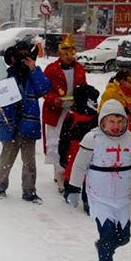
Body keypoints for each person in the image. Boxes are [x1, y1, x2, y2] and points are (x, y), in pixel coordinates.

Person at [66, 100, 131, 261]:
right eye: (111, 122)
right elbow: (79, 165)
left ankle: (103, 247)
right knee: (108, 236)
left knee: (124, 237)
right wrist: (74, 188)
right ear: (102, 122)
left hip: (122, 198)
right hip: (100, 197)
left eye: (120, 121)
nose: (116, 126)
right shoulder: (92, 138)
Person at [0, 41, 52, 203]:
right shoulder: (6, 74)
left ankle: (29, 191)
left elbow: (45, 88)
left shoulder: (34, 74)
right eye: (21, 54)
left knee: (29, 162)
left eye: (27, 54)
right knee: (6, 158)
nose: (24, 58)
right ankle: (0, 186)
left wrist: (33, 69)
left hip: (29, 124)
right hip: (10, 122)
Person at [41, 34, 87, 192]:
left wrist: (81, 98)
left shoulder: (79, 68)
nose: (69, 57)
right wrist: (54, 99)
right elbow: (44, 90)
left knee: (69, 142)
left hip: (73, 111)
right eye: (65, 54)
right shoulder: (51, 69)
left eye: (71, 54)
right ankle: (59, 174)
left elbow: (83, 88)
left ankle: (65, 171)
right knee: (55, 142)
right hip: (55, 112)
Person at [58, 84, 100, 213]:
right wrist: (63, 153)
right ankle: (70, 190)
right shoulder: (72, 115)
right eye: (92, 100)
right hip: (74, 148)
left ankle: (87, 200)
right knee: (73, 172)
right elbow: (64, 137)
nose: (95, 103)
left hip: (92, 148)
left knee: (90, 175)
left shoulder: (96, 117)